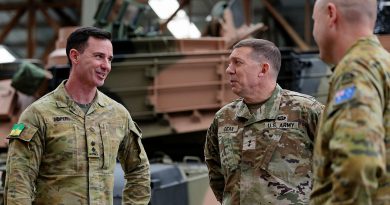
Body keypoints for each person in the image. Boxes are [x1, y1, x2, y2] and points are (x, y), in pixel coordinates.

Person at [4, 27, 151, 205]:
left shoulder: (118, 115)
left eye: (109, 59)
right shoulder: (38, 115)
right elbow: (18, 182)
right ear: (75, 56)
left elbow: (139, 170)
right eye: (98, 56)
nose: (106, 65)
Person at [204, 38, 324, 204]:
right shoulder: (224, 118)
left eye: (237, 63)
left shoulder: (307, 111)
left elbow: (339, 167)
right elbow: (217, 175)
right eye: (229, 63)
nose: (228, 70)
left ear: (263, 69)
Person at [310, 0, 390, 204]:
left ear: (331, 14)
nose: (313, 31)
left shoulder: (356, 70)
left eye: (314, 21)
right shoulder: (382, 63)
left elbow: (358, 162)